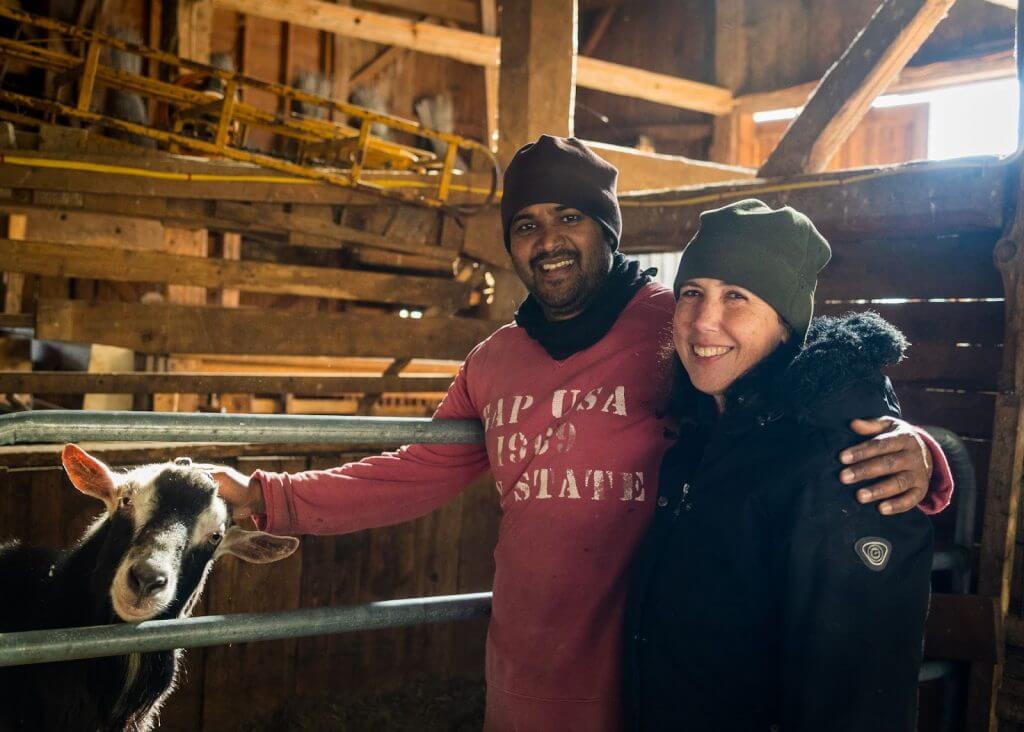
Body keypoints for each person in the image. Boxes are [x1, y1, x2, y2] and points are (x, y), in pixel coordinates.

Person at [211, 137, 951, 731]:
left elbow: (799, 364)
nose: (548, 240)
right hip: (521, 678)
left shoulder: (676, 327)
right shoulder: (495, 361)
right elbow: (416, 470)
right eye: (526, 225)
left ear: (607, 229)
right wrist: (270, 498)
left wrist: (917, 446)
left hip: (641, 686)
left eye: (570, 217)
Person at [623, 199, 934, 731]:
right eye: (692, 292)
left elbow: (855, 696)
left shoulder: (847, 463)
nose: (703, 321)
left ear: (787, 325)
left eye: (737, 296)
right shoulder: (698, 435)